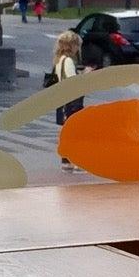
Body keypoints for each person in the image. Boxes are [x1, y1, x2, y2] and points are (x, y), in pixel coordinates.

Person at [52, 29, 83, 172]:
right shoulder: (69, 61)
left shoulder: (59, 60)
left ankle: (66, 161)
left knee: (67, 133)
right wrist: (86, 75)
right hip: (71, 102)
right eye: (77, 45)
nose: (78, 49)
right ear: (72, 45)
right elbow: (73, 82)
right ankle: (75, 161)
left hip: (63, 101)